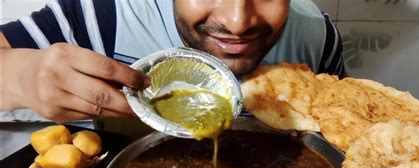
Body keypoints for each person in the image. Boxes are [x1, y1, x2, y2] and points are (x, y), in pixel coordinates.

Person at [0, 0, 344, 123]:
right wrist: (20, 75)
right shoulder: (104, 16)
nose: (238, 21)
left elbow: (340, 131)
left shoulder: (317, 39)